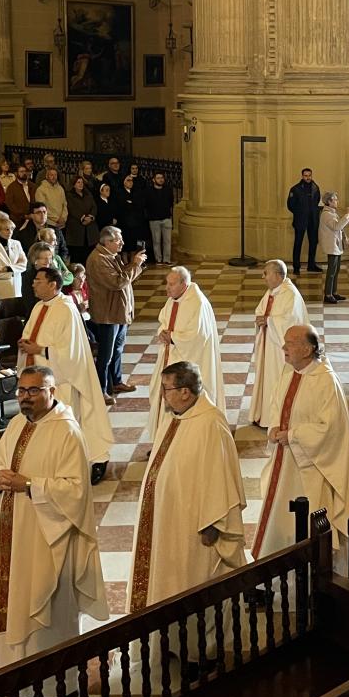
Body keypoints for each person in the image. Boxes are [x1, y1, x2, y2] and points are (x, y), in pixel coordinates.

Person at [0, 366, 107, 685]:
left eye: (34, 391)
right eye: (22, 391)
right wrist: (0, 478)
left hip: (49, 536)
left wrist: (28, 484)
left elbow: (77, 490)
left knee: (45, 604)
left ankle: (57, 683)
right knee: (15, 599)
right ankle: (14, 679)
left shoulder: (67, 431)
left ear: (52, 391)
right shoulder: (15, 424)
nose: (26, 398)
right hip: (15, 531)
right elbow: (1, 461)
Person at [128, 361, 246, 612]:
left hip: (193, 525)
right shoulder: (175, 417)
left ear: (185, 392)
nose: (162, 395)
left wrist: (214, 524)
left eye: (166, 389)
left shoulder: (210, 423)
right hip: (166, 519)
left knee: (188, 582)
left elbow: (221, 478)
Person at [252, 325, 349, 561]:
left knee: (310, 516)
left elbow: (330, 429)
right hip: (285, 462)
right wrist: (273, 427)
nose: (283, 348)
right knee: (280, 516)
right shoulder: (289, 371)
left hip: (312, 467)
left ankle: (314, 572)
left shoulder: (325, 381)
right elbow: (277, 404)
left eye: (290, 343)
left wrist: (293, 435)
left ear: (307, 349)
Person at [18, 266, 115, 485]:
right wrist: (24, 344)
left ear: (53, 284)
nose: (33, 283)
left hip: (62, 378)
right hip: (39, 376)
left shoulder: (65, 309)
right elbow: (31, 333)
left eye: (38, 280)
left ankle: (78, 465)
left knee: (67, 425)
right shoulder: (38, 307)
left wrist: (40, 350)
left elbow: (70, 350)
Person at [148, 266, 224, 445]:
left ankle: (185, 441)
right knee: (164, 395)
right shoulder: (173, 299)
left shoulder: (197, 302)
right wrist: (163, 332)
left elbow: (199, 336)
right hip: (170, 355)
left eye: (172, 284)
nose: (167, 288)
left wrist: (173, 337)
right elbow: (164, 321)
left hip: (188, 359)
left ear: (184, 284)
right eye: (167, 283)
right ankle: (164, 439)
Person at [86, 226, 146, 398]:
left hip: (119, 312)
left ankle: (117, 382)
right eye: (119, 240)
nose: (122, 243)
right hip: (108, 314)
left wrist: (134, 265)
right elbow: (117, 283)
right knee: (106, 355)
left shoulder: (110, 256)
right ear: (107, 241)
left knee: (117, 350)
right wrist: (134, 265)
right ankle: (101, 390)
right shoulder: (98, 259)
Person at [250, 259, 308, 428]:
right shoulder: (273, 291)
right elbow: (261, 310)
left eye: (266, 273)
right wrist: (262, 319)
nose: (263, 277)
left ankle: (277, 419)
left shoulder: (290, 294)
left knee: (277, 379)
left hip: (281, 348)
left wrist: (268, 321)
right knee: (267, 378)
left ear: (277, 275)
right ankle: (265, 415)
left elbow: (290, 321)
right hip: (269, 343)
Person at [0, 212, 27, 315]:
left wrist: (6, 269)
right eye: (7, 229)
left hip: (16, 285)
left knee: (15, 316)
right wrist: (15, 269)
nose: (10, 232)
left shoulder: (16, 244)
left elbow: (24, 265)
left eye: (12, 229)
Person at [317, 191, 349, 304]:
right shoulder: (326, 214)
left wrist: (348, 216)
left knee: (336, 270)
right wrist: (347, 213)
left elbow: (339, 226)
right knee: (331, 271)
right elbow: (336, 226)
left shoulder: (331, 212)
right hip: (331, 245)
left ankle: (334, 292)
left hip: (335, 244)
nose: (337, 201)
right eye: (335, 199)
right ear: (329, 202)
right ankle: (328, 294)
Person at [287, 168, 323, 276]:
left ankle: (311, 265)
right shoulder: (295, 189)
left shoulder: (315, 188)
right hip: (300, 220)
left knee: (313, 242)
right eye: (306, 175)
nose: (308, 177)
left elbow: (317, 202)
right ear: (302, 176)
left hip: (313, 220)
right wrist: (300, 213)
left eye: (309, 175)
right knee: (298, 243)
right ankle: (296, 267)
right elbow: (290, 205)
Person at [64, 174, 100, 264]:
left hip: (90, 228)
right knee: (77, 255)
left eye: (82, 182)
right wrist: (82, 218)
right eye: (78, 182)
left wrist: (91, 217)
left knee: (89, 254)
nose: (81, 184)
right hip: (76, 227)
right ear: (74, 184)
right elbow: (71, 208)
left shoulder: (88, 194)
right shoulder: (69, 195)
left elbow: (94, 206)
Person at [146, 171, 175, 265]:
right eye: (158, 178)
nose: (160, 179)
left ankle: (167, 260)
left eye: (162, 178)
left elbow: (171, 202)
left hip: (166, 218)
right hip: (154, 219)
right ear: (153, 180)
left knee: (167, 241)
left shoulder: (168, 190)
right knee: (156, 241)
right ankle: (158, 260)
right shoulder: (148, 191)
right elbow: (147, 205)